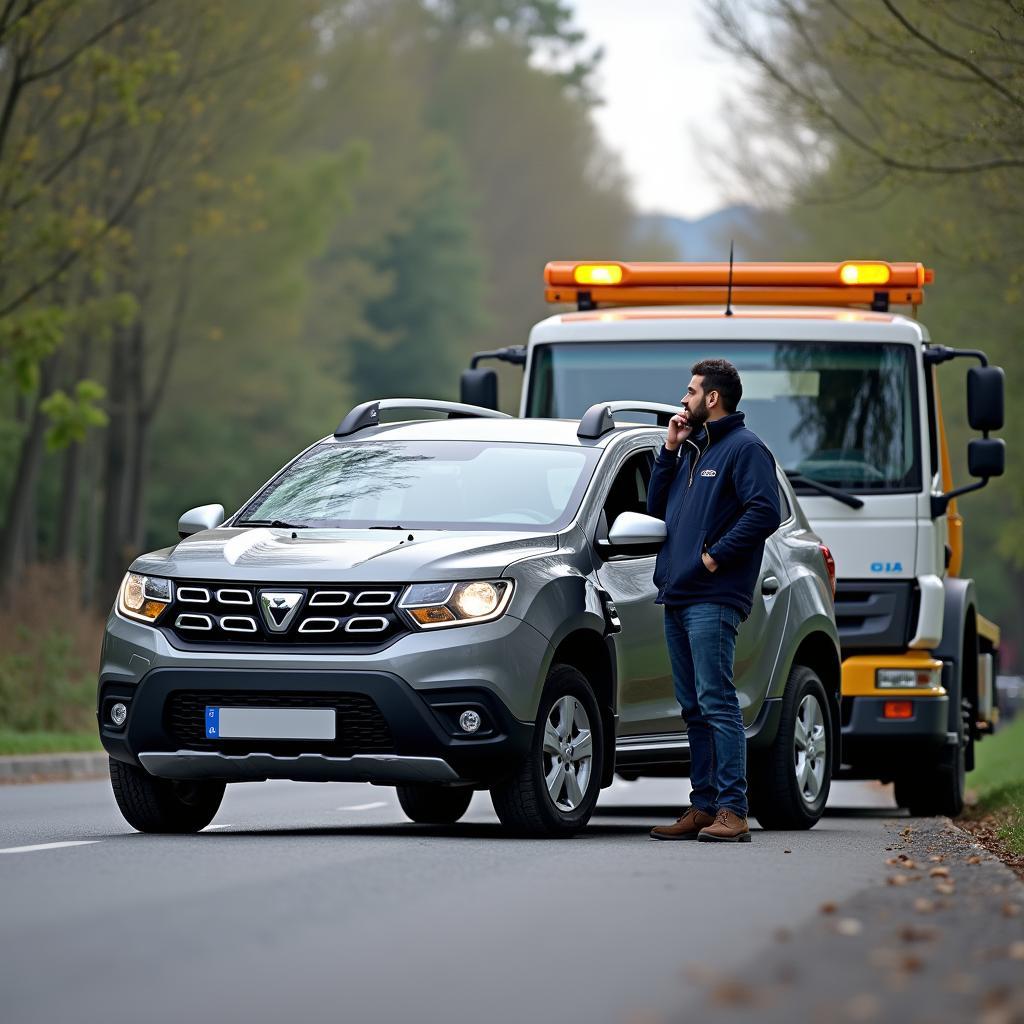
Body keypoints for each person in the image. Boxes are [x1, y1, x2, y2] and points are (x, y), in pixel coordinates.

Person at [646, 358, 781, 843]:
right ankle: (703, 807)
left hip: (712, 595)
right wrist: (669, 449)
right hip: (678, 594)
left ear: (713, 398)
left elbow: (766, 511)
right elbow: (655, 509)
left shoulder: (745, 449)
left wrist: (713, 558)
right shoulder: (694, 450)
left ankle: (734, 811)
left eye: (690, 392)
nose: (683, 399)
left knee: (717, 701)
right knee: (693, 707)